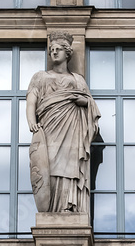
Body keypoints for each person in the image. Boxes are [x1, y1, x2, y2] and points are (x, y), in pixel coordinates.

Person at [26, 32, 100, 213]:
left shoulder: (77, 80)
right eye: (51, 49)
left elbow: (91, 105)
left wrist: (83, 102)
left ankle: (68, 205)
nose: (54, 52)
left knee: (69, 167)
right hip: (49, 128)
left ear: (67, 53)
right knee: (49, 166)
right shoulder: (40, 77)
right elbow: (30, 102)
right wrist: (31, 121)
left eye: (58, 49)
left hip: (72, 129)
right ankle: (51, 208)